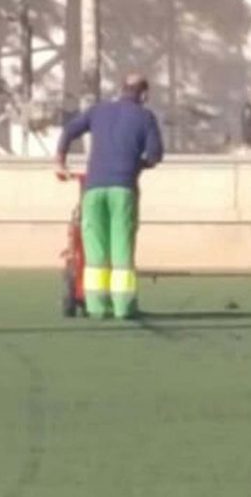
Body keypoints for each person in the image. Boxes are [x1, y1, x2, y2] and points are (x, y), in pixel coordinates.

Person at [57, 73, 164, 319]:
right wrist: (137, 165)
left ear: (121, 89)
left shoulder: (98, 111)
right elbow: (155, 155)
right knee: (122, 249)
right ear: (144, 94)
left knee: (94, 249)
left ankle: (96, 306)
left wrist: (60, 161)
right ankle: (123, 307)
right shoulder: (145, 117)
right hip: (123, 189)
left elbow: (69, 131)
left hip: (93, 189)